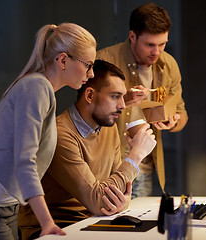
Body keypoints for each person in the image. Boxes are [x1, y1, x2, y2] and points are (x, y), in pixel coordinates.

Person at [0, 22, 97, 240]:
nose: (92, 73)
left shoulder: (40, 88)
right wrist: (46, 222)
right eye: (88, 65)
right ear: (63, 60)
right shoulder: (36, 88)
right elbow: (24, 160)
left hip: (4, 206)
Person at [18, 59, 156, 239]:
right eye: (115, 96)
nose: (123, 105)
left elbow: (117, 187)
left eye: (122, 97)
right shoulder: (60, 134)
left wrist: (123, 201)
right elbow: (99, 200)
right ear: (89, 95)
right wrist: (136, 155)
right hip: (55, 229)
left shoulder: (109, 127)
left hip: (94, 220)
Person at [96, 2, 188, 198]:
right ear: (132, 36)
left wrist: (173, 121)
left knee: (137, 222)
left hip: (144, 165)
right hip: (109, 164)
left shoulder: (168, 64)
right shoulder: (105, 60)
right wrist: (123, 99)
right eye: (150, 45)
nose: (157, 51)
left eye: (162, 44)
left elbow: (181, 112)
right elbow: (88, 112)